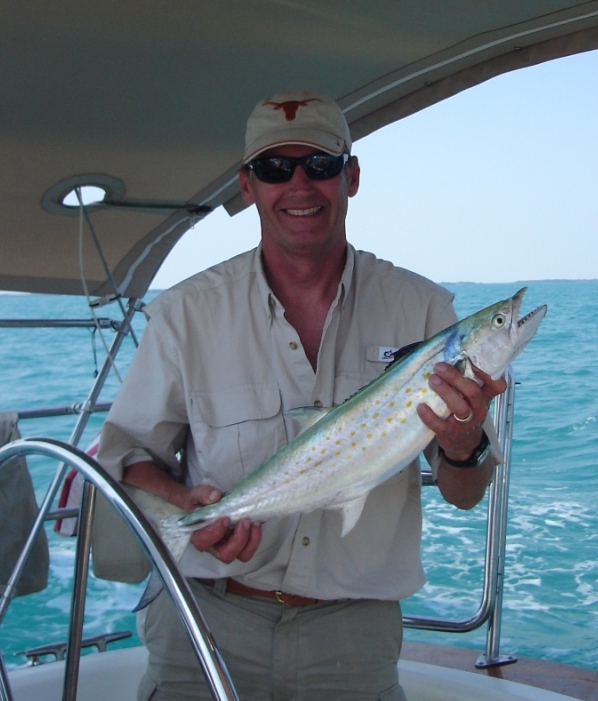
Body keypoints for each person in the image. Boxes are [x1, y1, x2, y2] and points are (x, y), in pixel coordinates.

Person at [97, 90, 505, 701]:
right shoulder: (186, 314)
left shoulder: (424, 309)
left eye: (319, 165)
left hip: (353, 638)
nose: (299, 186)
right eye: (273, 168)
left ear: (352, 176)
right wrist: (188, 505)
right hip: (209, 621)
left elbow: (465, 495)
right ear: (246, 187)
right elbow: (128, 460)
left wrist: (464, 442)